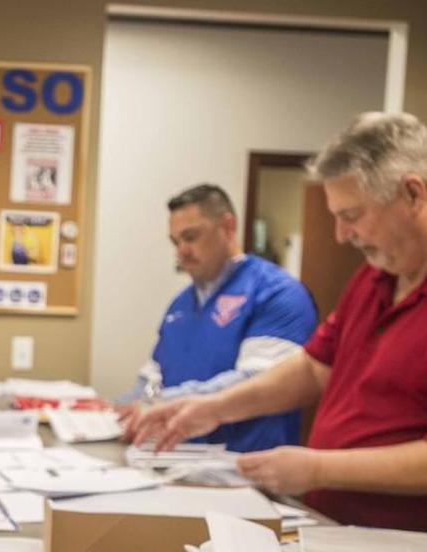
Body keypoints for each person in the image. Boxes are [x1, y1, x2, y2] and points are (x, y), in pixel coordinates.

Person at [131, 112, 427, 531]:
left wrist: (321, 469)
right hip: (335, 530)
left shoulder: (275, 290)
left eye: (353, 215)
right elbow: (312, 369)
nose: (342, 235)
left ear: (413, 194)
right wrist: (213, 409)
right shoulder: (373, 278)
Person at [119, 184, 317, 453]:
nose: (182, 251)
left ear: (228, 226)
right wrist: (117, 410)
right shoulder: (181, 305)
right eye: (175, 242)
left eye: (191, 237)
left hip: (246, 468)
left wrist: (163, 402)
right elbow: (152, 377)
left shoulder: (276, 293)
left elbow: (261, 381)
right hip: (177, 460)